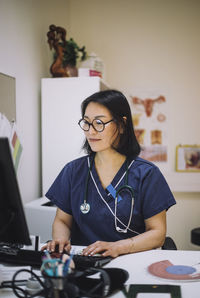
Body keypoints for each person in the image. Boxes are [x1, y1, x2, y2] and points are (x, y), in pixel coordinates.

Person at [42, 90, 176, 258]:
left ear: (121, 125)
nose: (90, 131)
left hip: (131, 260)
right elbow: (62, 220)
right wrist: (60, 241)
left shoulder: (147, 174)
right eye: (86, 123)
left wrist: (118, 247)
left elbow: (157, 233)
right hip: (84, 262)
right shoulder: (73, 171)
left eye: (99, 123)